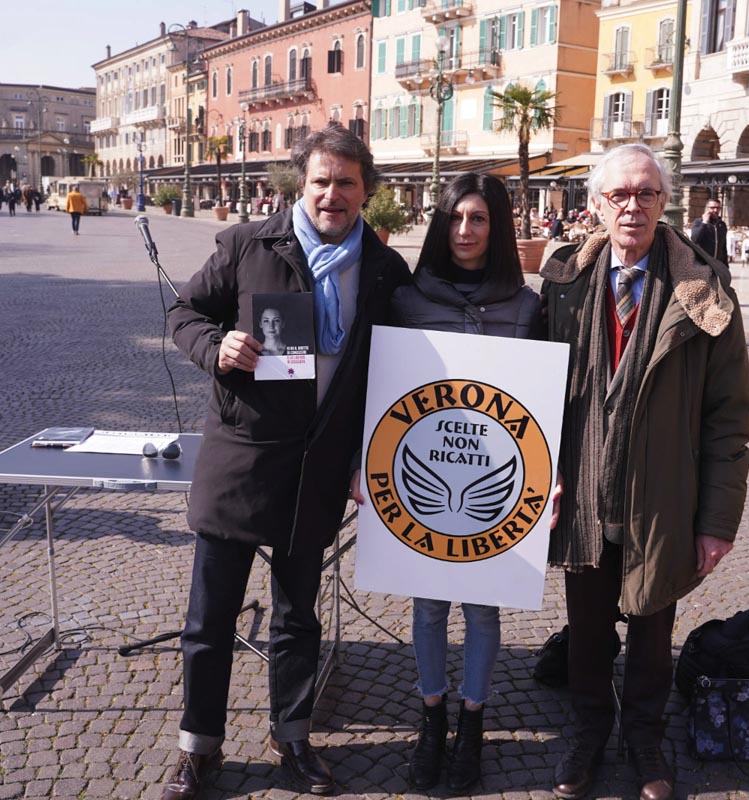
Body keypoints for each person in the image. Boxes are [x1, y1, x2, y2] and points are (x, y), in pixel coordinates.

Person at [159, 125, 411, 800]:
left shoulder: (385, 270)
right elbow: (183, 312)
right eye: (322, 180)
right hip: (241, 460)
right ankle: (198, 750)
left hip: (319, 469)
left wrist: (373, 457)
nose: (333, 194)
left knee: (299, 617)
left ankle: (293, 738)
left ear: (366, 190)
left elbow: (397, 369)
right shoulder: (249, 244)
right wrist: (217, 346)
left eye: (347, 182)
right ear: (304, 182)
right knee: (209, 619)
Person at [539, 143, 749, 800]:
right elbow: (531, 391)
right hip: (580, 492)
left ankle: (644, 735)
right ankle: (588, 728)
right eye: (620, 194)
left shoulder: (704, 291)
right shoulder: (562, 282)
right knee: (588, 626)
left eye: (647, 193)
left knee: (655, 626)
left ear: (665, 202)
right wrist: (533, 475)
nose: (633, 205)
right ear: (596, 204)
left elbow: (728, 417)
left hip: (664, 499)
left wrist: (716, 521)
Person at [364, 172, 541, 793]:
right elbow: (382, 390)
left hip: (494, 477)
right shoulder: (409, 301)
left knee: (485, 605)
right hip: (425, 475)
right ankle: (432, 717)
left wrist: (551, 473)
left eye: (479, 219)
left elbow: (541, 401)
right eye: (456, 219)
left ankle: (474, 720)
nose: (465, 231)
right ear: (441, 225)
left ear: (497, 227)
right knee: (430, 603)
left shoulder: (525, 306)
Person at [690, 198, 729, 265]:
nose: (716, 210)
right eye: (712, 208)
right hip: (702, 264)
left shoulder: (722, 225)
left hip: (717, 265)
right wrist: (704, 223)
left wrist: (725, 266)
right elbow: (695, 239)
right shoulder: (698, 222)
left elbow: (723, 247)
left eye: (718, 208)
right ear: (707, 208)